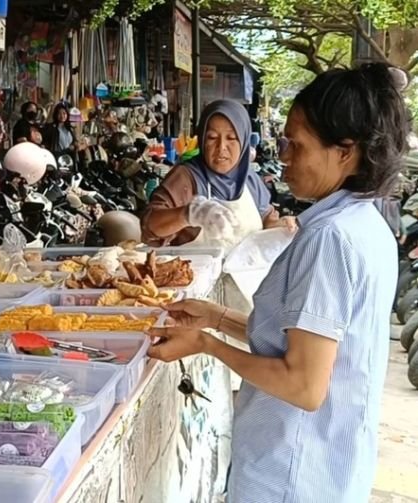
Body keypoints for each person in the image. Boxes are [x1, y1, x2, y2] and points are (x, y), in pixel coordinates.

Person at [149, 63, 410, 503]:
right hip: (328, 465)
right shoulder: (365, 223)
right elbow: (303, 343)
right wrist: (217, 317)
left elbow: (302, 385)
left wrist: (207, 345)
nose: (284, 155)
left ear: (345, 152)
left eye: (296, 144)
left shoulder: (330, 239)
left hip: (293, 473)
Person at [140, 99, 292, 249]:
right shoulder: (186, 177)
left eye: (231, 138)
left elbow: (267, 219)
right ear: (202, 139)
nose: (221, 147)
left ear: (244, 140)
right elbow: (150, 226)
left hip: (248, 265)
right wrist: (188, 214)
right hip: (195, 265)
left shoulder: (249, 178)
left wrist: (282, 226)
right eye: (212, 137)